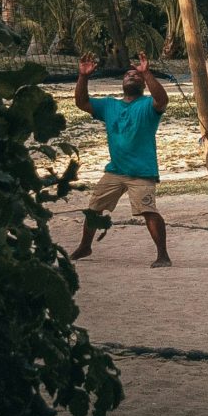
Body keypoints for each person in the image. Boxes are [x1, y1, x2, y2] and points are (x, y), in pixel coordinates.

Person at [69, 52, 170, 266]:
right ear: (122, 83)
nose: (131, 76)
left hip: (141, 171)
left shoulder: (149, 105)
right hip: (115, 170)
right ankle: (85, 246)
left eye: (136, 75)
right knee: (94, 209)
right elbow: (81, 102)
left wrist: (147, 72)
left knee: (148, 211)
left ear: (143, 83)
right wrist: (83, 76)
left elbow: (162, 99)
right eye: (128, 75)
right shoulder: (109, 105)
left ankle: (163, 255)